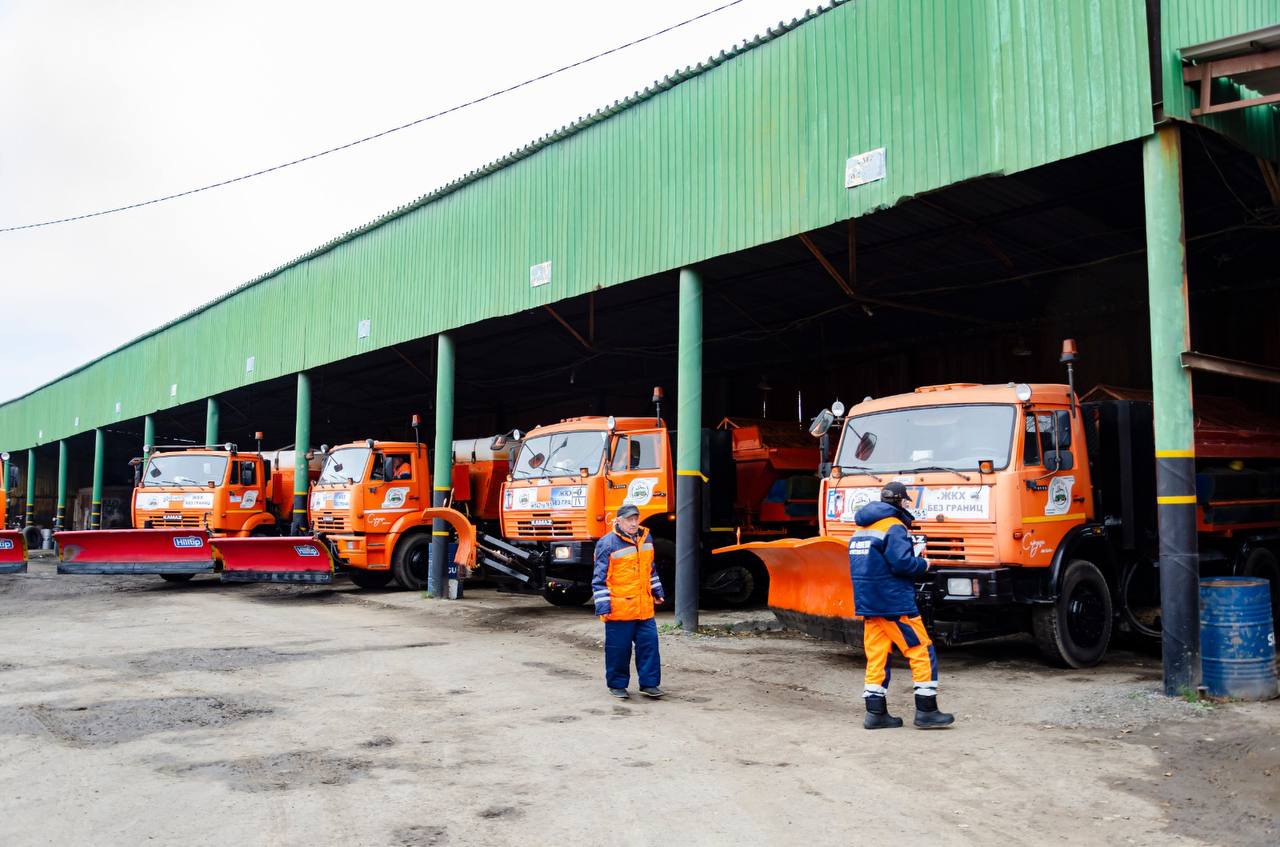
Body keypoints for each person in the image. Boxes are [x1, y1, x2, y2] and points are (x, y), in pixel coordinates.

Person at [849, 481, 954, 730]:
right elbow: (902, 564)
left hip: (869, 603)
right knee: (921, 650)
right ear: (899, 501)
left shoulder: (861, 528)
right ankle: (927, 711)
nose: (908, 504)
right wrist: (924, 564)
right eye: (906, 500)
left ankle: (875, 713)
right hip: (894, 603)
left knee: (877, 656)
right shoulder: (894, 526)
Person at [592, 503, 665, 699]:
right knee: (619, 650)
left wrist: (657, 590)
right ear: (619, 521)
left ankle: (649, 684)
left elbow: (650, 569)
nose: (633, 523)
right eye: (629, 520)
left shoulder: (646, 538)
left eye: (636, 519)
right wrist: (603, 606)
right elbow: (599, 579)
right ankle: (617, 685)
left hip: (644, 607)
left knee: (649, 646)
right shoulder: (607, 543)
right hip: (619, 609)